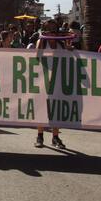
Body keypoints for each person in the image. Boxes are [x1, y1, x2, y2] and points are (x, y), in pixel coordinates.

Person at [33, 19, 68, 149]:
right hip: (43, 80)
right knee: (42, 107)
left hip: (57, 80)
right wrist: (42, 39)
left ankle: (55, 137)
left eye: (54, 30)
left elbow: (68, 58)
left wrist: (70, 49)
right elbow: (37, 56)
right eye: (48, 29)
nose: (51, 32)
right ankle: (40, 135)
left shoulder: (61, 44)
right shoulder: (41, 42)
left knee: (56, 109)